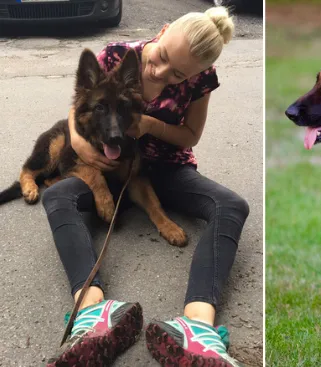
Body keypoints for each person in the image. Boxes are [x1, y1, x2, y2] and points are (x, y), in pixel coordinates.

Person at [46, 7, 249, 366]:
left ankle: (198, 329)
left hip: (169, 169)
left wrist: (149, 125)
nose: (160, 72)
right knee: (57, 195)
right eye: (161, 58)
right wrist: (78, 145)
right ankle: (93, 313)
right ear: (163, 29)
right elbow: (78, 109)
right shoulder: (116, 56)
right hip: (112, 167)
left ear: (198, 73)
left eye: (178, 74)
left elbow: (191, 136)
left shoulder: (203, 80)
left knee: (231, 205)